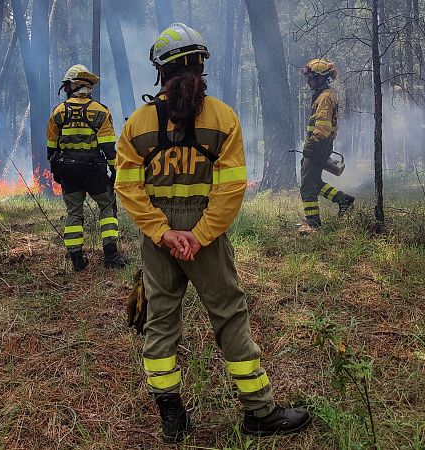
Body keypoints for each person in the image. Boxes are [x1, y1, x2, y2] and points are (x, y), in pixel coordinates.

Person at [113, 23, 310, 442]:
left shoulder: (138, 123)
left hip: (159, 241)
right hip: (206, 239)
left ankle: (172, 419)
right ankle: (259, 413)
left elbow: (127, 187)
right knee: (230, 316)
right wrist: (200, 235)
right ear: (200, 66)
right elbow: (231, 187)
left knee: (160, 323)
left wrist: (163, 232)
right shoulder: (223, 119)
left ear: (160, 73)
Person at [46, 64, 129, 271]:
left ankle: (76, 259)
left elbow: (51, 149)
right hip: (94, 171)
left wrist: (57, 172)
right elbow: (109, 148)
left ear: (71, 87)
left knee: (74, 212)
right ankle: (111, 256)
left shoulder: (58, 113)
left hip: (68, 171)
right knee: (107, 207)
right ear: (87, 87)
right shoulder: (100, 112)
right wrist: (115, 172)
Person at [299, 58, 355, 233]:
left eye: (311, 77)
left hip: (318, 144)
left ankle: (313, 225)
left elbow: (322, 128)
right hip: (320, 144)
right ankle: (343, 200)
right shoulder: (323, 95)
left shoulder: (325, 98)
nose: (308, 81)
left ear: (321, 78)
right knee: (314, 181)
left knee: (307, 186)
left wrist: (311, 144)